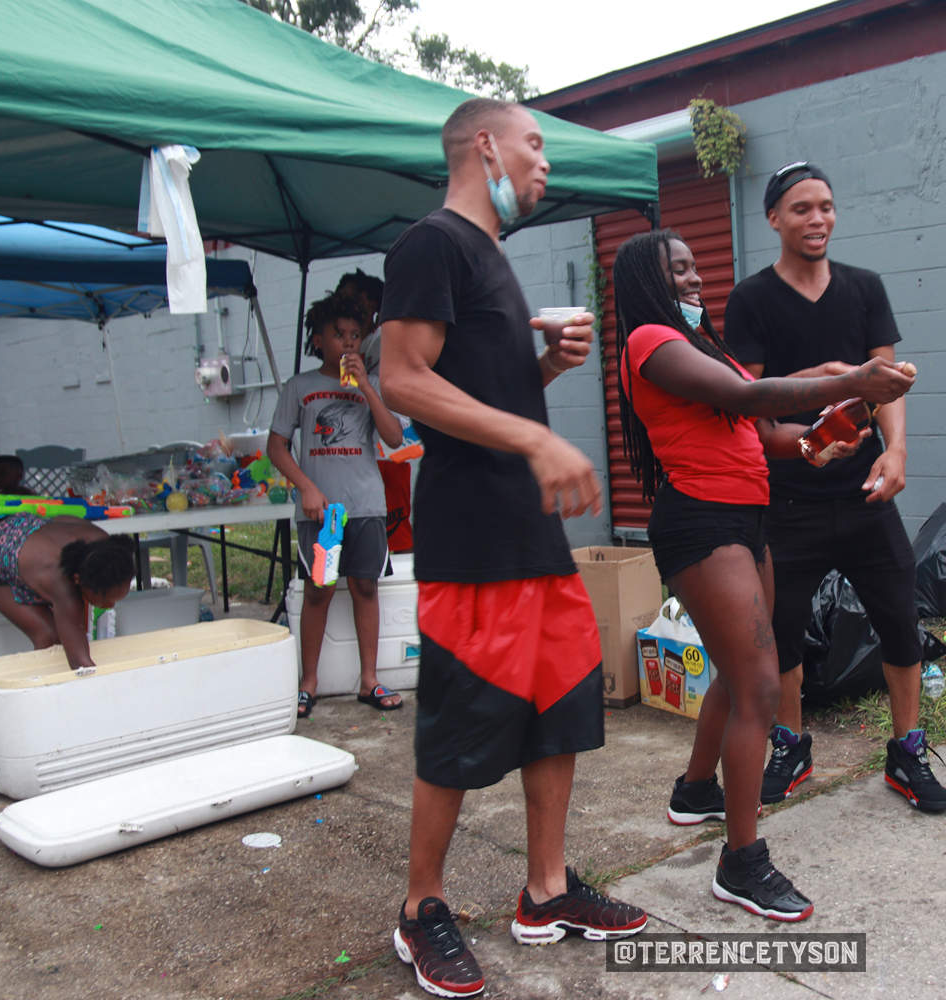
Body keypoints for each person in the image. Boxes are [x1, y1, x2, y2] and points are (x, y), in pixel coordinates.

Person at [378, 97, 647, 997]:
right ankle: (421, 907)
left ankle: (546, 890)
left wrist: (544, 373)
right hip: (472, 539)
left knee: (558, 706)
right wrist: (536, 437)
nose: (545, 162)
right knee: (460, 724)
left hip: (531, 532)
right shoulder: (433, 243)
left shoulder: (490, 255)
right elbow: (402, 379)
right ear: (485, 146)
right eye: (535, 144)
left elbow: (477, 396)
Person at [616, 228, 913, 921]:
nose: (694, 279)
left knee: (741, 671)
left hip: (747, 519)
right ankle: (740, 863)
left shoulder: (702, 346)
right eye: (678, 270)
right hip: (702, 524)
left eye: (695, 267)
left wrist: (818, 442)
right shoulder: (650, 342)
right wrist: (851, 380)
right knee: (759, 686)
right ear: (648, 282)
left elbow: (760, 434)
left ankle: (696, 791)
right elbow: (751, 398)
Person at [722, 162, 946, 814]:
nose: (817, 218)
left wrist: (896, 450)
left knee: (901, 621)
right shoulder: (751, 299)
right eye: (801, 208)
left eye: (825, 206)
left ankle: (907, 750)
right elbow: (748, 402)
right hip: (788, 500)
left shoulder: (864, 288)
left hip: (866, 494)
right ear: (774, 218)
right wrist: (820, 399)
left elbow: (887, 384)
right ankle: (791, 746)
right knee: (782, 635)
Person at [268, 294, 406, 720]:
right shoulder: (300, 387)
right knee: (319, 590)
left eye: (355, 335)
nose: (348, 342)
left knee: (366, 588)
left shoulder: (373, 384)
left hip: (366, 506)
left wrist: (366, 385)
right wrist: (306, 488)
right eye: (338, 334)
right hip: (322, 513)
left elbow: (394, 438)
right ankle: (308, 682)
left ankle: (369, 679)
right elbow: (276, 446)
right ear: (318, 340)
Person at [0, 513, 134, 668]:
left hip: (17, 527)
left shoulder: (106, 549)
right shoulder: (62, 585)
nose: (110, 606)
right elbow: (80, 663)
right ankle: (39, 681)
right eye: (105, 600)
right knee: (49, 635)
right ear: (77, 579)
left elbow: (61, 519)